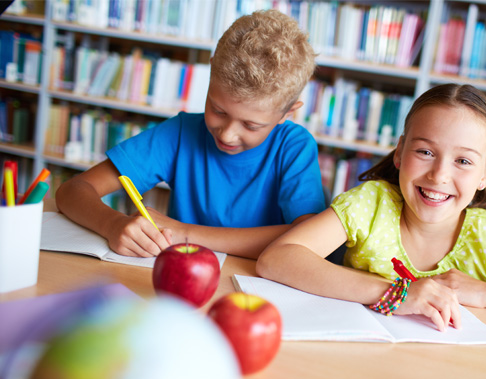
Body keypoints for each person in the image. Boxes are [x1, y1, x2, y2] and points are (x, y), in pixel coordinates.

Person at [257, 83, 486, 331]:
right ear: (399, 152)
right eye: (425, 152)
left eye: (463, 161)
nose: (439, 175)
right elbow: (278, 258)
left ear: (484, 174)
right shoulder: (370, 204)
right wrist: (394, 293)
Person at [56, 10, 325, 260]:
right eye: (218, 110)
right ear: (210, 75)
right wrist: (112, 224)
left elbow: (308, 240)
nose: (228, 135)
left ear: (288, 113)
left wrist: (185, 234)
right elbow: (72, 191)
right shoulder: (181, 133)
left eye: (251, 126)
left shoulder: (294, 148)